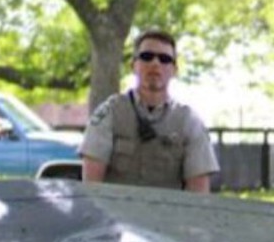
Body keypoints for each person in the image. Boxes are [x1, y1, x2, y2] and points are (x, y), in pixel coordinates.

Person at [79, 26, 219, 190]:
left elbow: (199, 197)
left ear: (174, 70)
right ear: (133, 65)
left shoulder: (189, 122)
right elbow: (91, 188)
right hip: (114, 214)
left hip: (168, 215)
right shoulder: (110, 113)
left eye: (165, 59)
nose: (155, 63)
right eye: (147, 56)